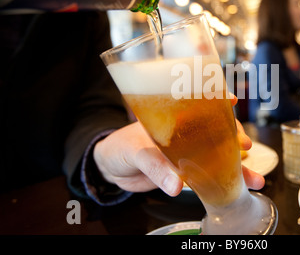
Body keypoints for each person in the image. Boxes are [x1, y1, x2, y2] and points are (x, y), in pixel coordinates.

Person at [0, 11, 264, 205]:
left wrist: (100, 152)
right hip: (38, 193)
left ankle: (234, 205)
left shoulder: (80, 5)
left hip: (56, 198)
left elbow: (95, 105)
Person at [248, 0, 300, 126]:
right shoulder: (267, 50)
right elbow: (278, 107)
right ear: (280, 11)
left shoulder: (296, 48)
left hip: (298, 127)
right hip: (272, 135)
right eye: (296, 4)